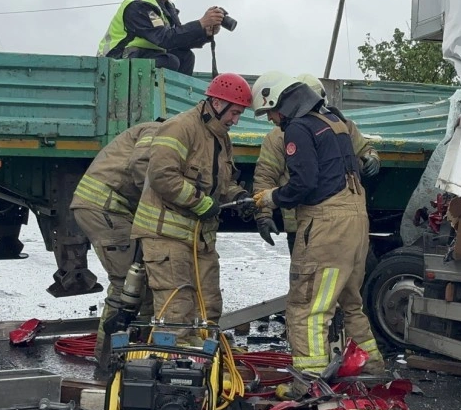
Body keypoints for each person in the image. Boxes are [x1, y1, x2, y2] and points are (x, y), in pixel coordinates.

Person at [250, 71, 386, 375]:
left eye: (270, 111)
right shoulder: (337, 124)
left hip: (322, 228)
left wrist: (269, 202)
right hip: (353, 223)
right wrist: (264, 213)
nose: (271, 119)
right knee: (351, 303)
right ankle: (371, 369)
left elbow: (303, 183)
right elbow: (266, 176)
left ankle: (310, 382)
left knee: (307, 308)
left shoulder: (295, 130)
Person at [130, 73, 255, 345]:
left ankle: (204, 366)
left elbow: (222, 184)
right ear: (217, 103)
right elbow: (162, 176)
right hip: (167, 235)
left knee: (208, 307)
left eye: (239, 114)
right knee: (177, 311)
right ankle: (173, 373)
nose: (236, 120)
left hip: (200, 239)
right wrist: (200, 202)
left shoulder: (221, 137)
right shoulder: (179, 127)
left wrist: (241, 196)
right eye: (234, 112)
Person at [253, 73, 381, 252]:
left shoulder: (342, 126)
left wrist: (371, 157)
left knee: (319, 276)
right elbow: (265, 176)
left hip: (333, 219)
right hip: (301, 223)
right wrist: (263, 215)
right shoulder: (279, 136)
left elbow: (364, 150)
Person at [70, 120, 162, 367]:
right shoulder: (157, 131)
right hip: (106, 210)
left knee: (136, 286)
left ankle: (126, 359)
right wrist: (158, 199)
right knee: (127, 290)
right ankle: (107, 363)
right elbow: (141, 165)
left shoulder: (154, 130)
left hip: (109, 209)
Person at [98, 0, 225, 76]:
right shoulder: (139, 5)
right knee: (170, 61)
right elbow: (165, 38)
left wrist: (204, 32)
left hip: (143, 54)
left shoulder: (167, 8)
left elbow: (178, 40)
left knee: (186, 57)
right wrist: (200, 23)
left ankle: (175, 105)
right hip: (117, 58)